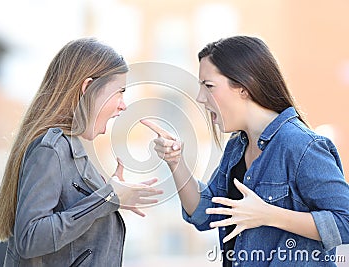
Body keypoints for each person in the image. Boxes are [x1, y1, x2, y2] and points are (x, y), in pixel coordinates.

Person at [141, 35, 349, 266]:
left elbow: (345, 222)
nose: (201, 98)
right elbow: (205, 213)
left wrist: (270, 215)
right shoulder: (237, 146)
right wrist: (175, 161)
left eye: (208, 86)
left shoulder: (301, 145)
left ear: (244, 86)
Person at [0, 38, 162, 267]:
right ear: (88, 87)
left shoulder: (70, 148)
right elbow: (30, 238)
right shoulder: (50, 150)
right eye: (119, 92)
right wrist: (106, 197)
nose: (123, 105)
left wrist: (111, 194)